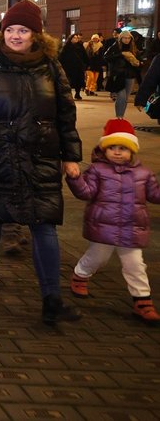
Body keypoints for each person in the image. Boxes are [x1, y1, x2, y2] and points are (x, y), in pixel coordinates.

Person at [0, 0, 83, 326]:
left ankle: (51, 299)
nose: (15, 35)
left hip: (41, 154)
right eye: (10, 29)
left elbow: (66, 114)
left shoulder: (51, 65)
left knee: (44, 224)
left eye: (23, 30)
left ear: (36, 35)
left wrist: (71, 155)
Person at [65, 119, 160, 323]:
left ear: (132, 151)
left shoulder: (143, 174)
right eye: (113, 148)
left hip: (132, 230)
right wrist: (75, 178)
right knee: (97, 257)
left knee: (135, 265)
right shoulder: (98, 171)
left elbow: (155, 195)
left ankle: (143, 301)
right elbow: (86, 192)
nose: (118, 152)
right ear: (105, 149)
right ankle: (80, 275)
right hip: (103, 228)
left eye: (123, 148)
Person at [105, 30, 141, 119]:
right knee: (121, 96)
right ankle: (119, 116)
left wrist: (138, 62)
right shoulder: (115, 46)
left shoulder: (133, 48)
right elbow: (106, 57)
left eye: (129, 38)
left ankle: (121, 116)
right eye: (125, 38)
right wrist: (120, 55)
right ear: (121, 38)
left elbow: (139, 60)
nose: (127, 40)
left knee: (125, 98)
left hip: (130, 76)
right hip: (118, 75)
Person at [59, 33, 88, 100]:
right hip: (69, 67)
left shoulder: (80, 46)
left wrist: (86, 63)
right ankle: (69, 94)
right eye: (74, 38)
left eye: (76, 38)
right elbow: (61, 57)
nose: (76, 39)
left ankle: (77, 93)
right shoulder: (66, 47)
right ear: (70, 39)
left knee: (79, 80)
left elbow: (84, 56)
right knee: (69, 81)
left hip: (78, 67)